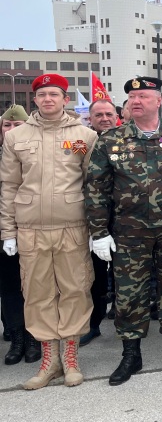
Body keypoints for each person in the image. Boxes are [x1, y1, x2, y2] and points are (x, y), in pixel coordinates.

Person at [85, 76, 162, 386]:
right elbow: (96, 188)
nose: (136, 100)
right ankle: (131, 354)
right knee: (129, 294)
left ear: (158, 101)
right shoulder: (111, 139)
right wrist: (98, 231)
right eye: (131, 97)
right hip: (129, 232)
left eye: (143, 95)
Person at [0, 74, 97, 389]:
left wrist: (97, 228)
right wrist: (8, 232)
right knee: (37, 295)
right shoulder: (16, 137)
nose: (48, 100)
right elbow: (9, 187)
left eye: (54, 94)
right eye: (42, 95)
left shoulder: (85, 135)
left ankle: (70, 360)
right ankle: (49, 362)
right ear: (35, 100)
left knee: (75, 290)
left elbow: (93, 186)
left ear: (65, 99)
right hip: (31, 229)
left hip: (73, 227)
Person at [0, 105, 41, 366]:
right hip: (4, 230)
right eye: (7, 125)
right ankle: (16, 336)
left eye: (18, 125)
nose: (12, 130)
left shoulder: (32, 155)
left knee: (33, 286)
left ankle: (33, 336)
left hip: (26, 227)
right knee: (9, 287)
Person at [81, 99, 120, 347]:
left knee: (123, 274)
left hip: (125, 219)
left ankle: (123, 318)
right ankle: (93, 324)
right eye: (99, 115)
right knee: (93, 275)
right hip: (93, 218)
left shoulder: (126, 139)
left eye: (109, 114)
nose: (104, 118)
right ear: (90, 118)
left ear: (117, 116)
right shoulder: (81, 143)